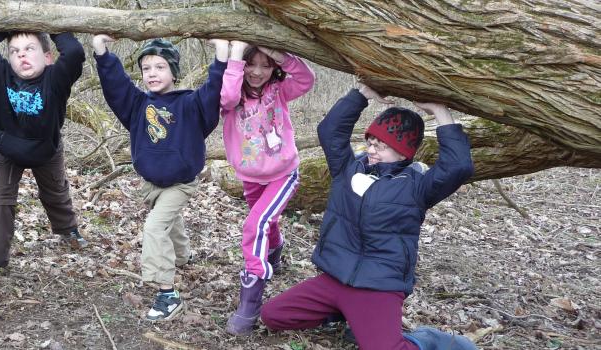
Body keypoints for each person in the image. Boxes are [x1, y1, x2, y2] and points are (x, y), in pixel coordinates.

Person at [260, 84, 477, 349]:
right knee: (273, 315)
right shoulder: (348, 169)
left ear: (403, 152)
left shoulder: (417, 186)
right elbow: (329, 131)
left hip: (378, 285)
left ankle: (426, 340)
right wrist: (361, 95)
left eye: (382, 146)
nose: (372, 150)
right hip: (334, 277)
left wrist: (441, 112)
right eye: (371, 142)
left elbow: (458, 166)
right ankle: (346, 313)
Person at [91, 34, 228, 321]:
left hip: (180, 182)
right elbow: (116, 86)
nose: (152, 73)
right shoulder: (138, 105)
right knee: (169, 221)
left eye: (160, 67)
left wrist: (221, 56)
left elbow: (215, 89)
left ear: (174, 71)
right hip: (152, 183)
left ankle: (167, 294)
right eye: (146, 68)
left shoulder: (191, 104)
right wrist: (102, 52)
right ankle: (182, 256)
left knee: (155, 227)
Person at [0, 30, 87, 278]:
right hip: (7, 148)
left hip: (47, 148)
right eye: (15, 51)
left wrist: (54, 26)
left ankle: (67, 229)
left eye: (29, 49)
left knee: (56, 191)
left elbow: (75, 53)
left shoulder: (56, 78)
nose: (22, 56)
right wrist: (3, 27)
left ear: (48, 57)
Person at [218, 40, 315, 335]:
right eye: (252, 63)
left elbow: (306, 79)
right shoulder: (231, 99)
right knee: (265, 222)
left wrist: (276, 53)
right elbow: (227, 96)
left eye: (266, 65)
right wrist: (236, 56)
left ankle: (250, 303)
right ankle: (275, 249)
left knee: (256, 223)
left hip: (283, 173)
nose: (258, 71)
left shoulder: (280, 92)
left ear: (274, 68)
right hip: (250, 176)